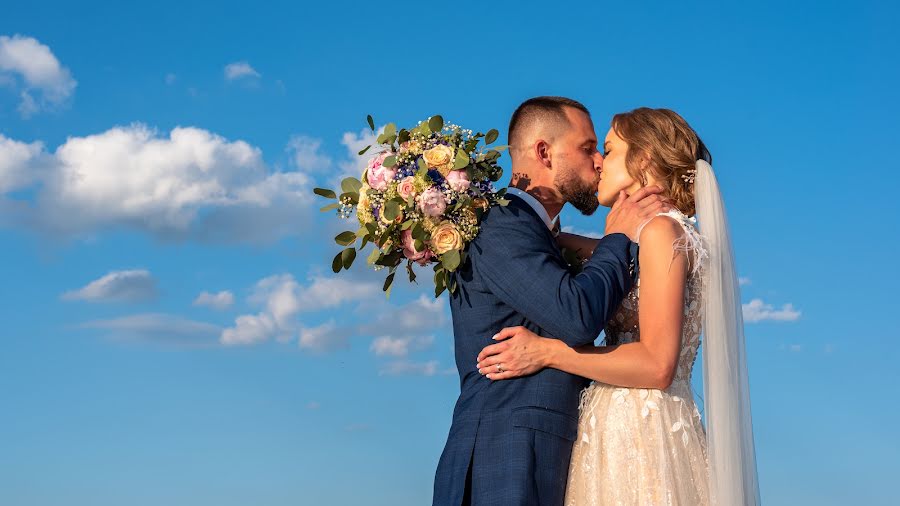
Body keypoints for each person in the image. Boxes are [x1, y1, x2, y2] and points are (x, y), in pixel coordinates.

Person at [476, 108, 760, 505]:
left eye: (607, 151)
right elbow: (560, 244)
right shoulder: (652, 236)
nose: (598, 164)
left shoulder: (663, 232)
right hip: (623, 423)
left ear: (643, 160)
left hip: (640, 430)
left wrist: (549, 352)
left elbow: (657, 366)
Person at [432, 98, 670, 506]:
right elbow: (576, 316)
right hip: (506, 456)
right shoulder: (498, 225)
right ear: (543, 152)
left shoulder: (541, 235)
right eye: (587, 148)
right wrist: (619, 236)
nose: (598, 161)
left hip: (545, 455)